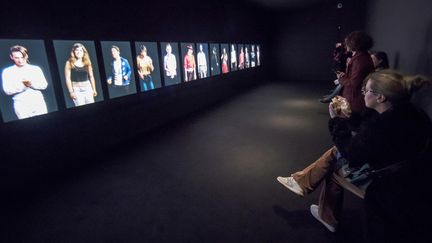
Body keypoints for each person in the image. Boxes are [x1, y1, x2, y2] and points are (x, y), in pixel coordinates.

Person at [277, 69, 432, 240]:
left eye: (366, 90)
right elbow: (372, 136)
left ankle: (323, 211)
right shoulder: (413, 114)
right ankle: (304, 184)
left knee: (334, 168)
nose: (363, 93)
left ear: (380, 97)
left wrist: (336, 120)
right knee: (335, 155)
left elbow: (352, 156)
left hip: (391, 189)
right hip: (416, 180)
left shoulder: (380, 128)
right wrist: (350, 117)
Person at [321, 31, 375, 112]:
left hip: (353, 100)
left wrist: (340, 79)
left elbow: (353, 84)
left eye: (347, 43)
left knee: (340, 117)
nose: (345, 45)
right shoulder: (362, 57)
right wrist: (345, 76)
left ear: (354, 44)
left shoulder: (359, 60)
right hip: (353, 98)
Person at [2, 45, 48, 119]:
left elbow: (44, 85)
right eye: (16, 58)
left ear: (26, 56)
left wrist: (31, 84)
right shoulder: (7, 72)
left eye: (22, 57)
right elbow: (7, 90)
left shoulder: (35, 69)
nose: (20, 60)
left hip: (38, 102)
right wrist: (23, 86)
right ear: (11, 57)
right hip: (20, 104)